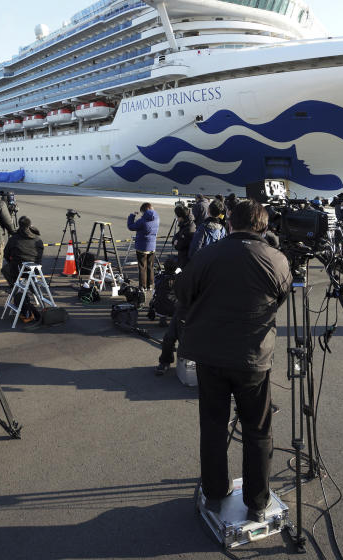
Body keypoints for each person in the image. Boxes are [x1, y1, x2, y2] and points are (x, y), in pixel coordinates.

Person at [176, 200, 292, 523]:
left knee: (213, 425)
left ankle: (215, 493)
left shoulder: (207, 255)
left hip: (210, 356)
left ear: (231, 223)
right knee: (257, 431)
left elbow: (182, 292)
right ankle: (257, 502)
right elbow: (282, 296)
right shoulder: (275, 259)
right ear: (263, 227)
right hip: (253, 358)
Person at [127, 202, 160, 291]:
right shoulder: (156, 218)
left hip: (142, 246)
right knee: (150, 267)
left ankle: (142, 286)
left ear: (143, 211)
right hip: (152, 246)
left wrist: (132, 216)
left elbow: (130, 227)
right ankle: (150, 285)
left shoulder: (142, 221)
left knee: (142, 267)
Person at [3, 216, 44, 286]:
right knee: (28, 273)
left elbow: (6, 254)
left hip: (18, 269)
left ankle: (15, 288)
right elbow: (40, 254)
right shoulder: (38, 239)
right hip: (35, 269)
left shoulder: (14, 239)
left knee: (5, 269)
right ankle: (31, 285)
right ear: (30, 225)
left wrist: (11, 261)